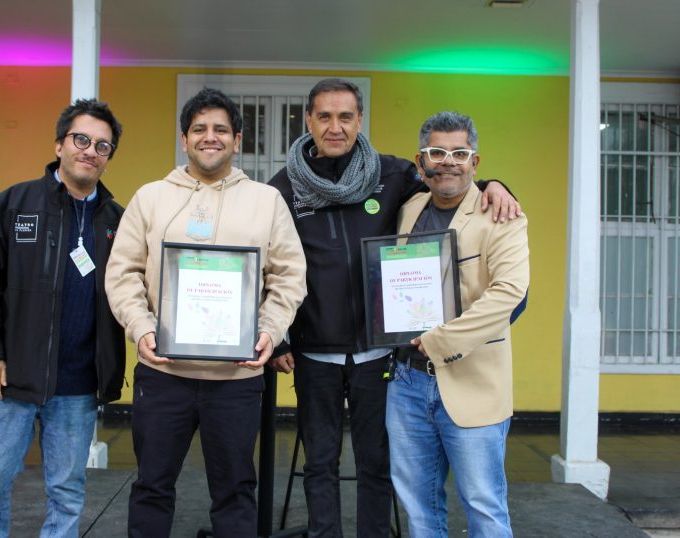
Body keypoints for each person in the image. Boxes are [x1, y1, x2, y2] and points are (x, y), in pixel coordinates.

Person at [267, 78, 521, 537]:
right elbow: (271, 264)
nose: (335, 126)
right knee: (319, 463)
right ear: (308, 120)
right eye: (324, 116)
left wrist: (494, 185)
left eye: (346, 116)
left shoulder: (392, 175)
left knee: (377, 465)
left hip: (378, 352)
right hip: (314, 350)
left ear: (360, 120)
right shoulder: (283, 188)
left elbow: (447, 180)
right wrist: (280, 336)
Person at [104, 87, 307, 538]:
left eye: (220, 129)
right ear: (184, 139)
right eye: (199, 129)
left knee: (235, 491)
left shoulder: (266, 201)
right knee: (152, 486)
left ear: (237, 139)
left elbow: (290, 276)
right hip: (163, 372)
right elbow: (122, 273)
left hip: (236, 378)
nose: (209, 137)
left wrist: (270, 330)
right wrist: (141, 328)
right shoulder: (151, 198)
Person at [0, 98, 127, 537]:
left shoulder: (117, 221)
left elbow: (133, 290)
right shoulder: (13, 204)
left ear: (108, 157)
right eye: (81, 139)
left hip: (78, 385)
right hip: (10, 379)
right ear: (59, 145)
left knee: (68, 490)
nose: (90, 151)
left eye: (102, 146)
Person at [387, 111, 529, 537]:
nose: (448, 161)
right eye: (437, 152)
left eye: (459, 153)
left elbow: (509, 293)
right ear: (421, 160)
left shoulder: (501, 215)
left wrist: (439, 341)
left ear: (474, 162)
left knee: (484, 507)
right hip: (407, 383)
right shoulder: (409, 209)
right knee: (419, 509)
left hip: (473, 381)